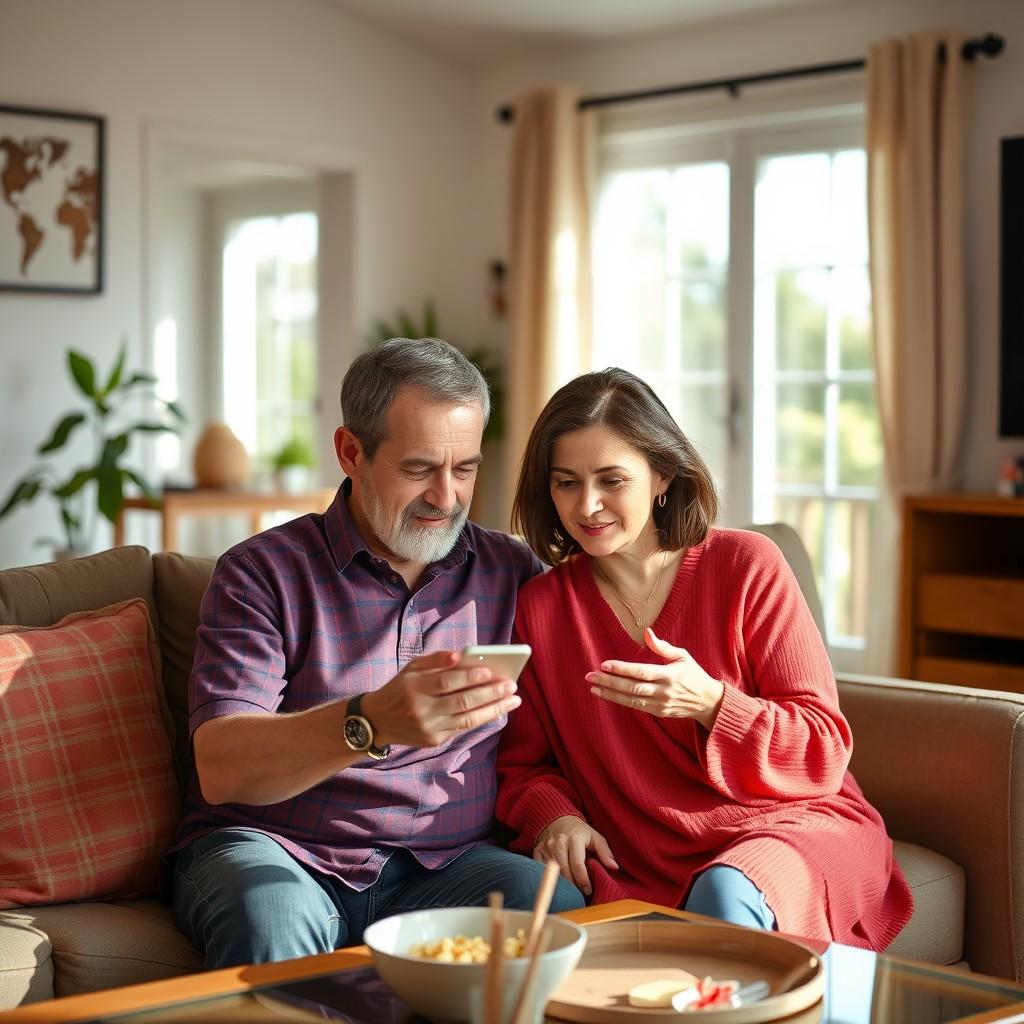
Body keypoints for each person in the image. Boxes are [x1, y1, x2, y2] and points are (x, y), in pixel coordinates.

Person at [167, 337, 584, 969]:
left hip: (448, 864)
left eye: (465, 469)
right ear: (350, 452)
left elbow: (566, 738)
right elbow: (223, 765)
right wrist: (371, 722)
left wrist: (560, 815)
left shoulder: (512, 572)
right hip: (278, 849)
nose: (446, 497)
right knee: (271, 917)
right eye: (419, 469)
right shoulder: (262, 573)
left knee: (552, 908)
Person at [495, 367, 913, 949]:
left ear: (662, 474)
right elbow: (522, 765)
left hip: (787, 826)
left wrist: (714, 705)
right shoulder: (540, 607)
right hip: (641, 850)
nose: (587, 506)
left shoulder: (747, 566)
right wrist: (555, 817)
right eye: (566, 483)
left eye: (611, 480)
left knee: (725, 892)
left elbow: (823, 746)